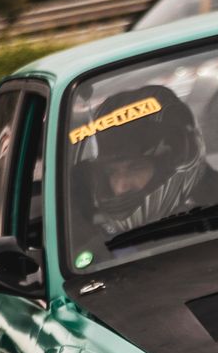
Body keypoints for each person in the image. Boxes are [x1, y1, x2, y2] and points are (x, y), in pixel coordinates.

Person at [73, 84, 208, 239]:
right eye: (111, 172)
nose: (121, 186)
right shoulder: (89, 245)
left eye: (135, 168)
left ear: (169, 167)